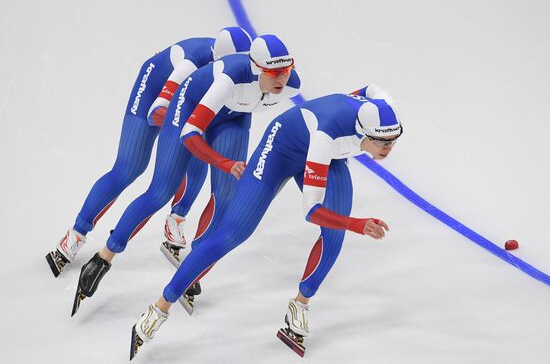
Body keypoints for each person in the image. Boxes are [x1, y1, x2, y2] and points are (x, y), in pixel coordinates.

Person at [128, 85, 403, 359]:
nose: (388, 148)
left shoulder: (381, 107)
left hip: (330, 155)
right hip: (282, 150)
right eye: (381, 142)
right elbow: (312, 210)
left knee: (334, 236)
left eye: (393, 140)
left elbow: (371, 88)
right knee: (232, 234)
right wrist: (357, 223)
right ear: (363, 132)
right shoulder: (327, 137)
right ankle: (160, 307)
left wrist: (340, 99)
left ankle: (300, 305)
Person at [71, 34, 301, 316]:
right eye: (275, 73)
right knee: (160, 192)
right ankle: (104, 257)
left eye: (287, 71)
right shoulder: (227, 80)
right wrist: (224, 162)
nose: (282, 79)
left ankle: (193, 264)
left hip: (233, 117)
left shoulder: (291, 84)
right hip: (190, 108)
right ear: (256, 69)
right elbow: (191, 135)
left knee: (225, 199)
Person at [46, 27, 253, 277]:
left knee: (197, 154)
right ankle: (75, 235)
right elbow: (157, 113)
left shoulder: (239, 74)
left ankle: (176, 219)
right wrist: (190, 123)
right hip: (155, 94)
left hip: (190, 102)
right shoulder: (191, 66)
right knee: (129, 168)